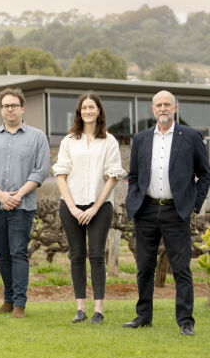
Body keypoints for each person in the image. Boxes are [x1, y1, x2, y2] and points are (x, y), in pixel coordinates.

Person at [123, 90, 210, 335]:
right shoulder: (141, 139)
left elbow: (205, 174)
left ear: (175, 108)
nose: (163, 108)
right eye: (158, 105)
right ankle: (143, 317)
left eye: (167, 104)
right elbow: (134, 176)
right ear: (152, 109)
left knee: (181, 268)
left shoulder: (191, 136)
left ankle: (185, 322)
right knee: (144, 268)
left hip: (176, 211)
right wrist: (134, 201)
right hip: (146, 210)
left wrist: (193, 204)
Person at [0, 87, 50, 319]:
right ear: (1, 109)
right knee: (1, 253)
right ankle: (7, 300)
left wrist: (18, 195)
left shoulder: (37, 136)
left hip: (23, 206)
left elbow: (41, 171)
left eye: (14, 105)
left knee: (19, 252)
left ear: (22, 108)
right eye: (6, 106)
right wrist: (0, 195)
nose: (10, 109)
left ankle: (20, 304)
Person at [53, 93, 125, 324]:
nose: (88, 111)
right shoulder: (68, 141)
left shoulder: (109, 141)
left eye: (92, 107)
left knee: (95, 255)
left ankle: (99, 310)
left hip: (100, 206)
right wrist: (73, 207)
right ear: (79, 112)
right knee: (76, 256)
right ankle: (80, 309)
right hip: (71, 205)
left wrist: (94, 207)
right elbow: (60, 175)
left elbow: (113, 176)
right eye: (84, 107)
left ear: (99, 111)